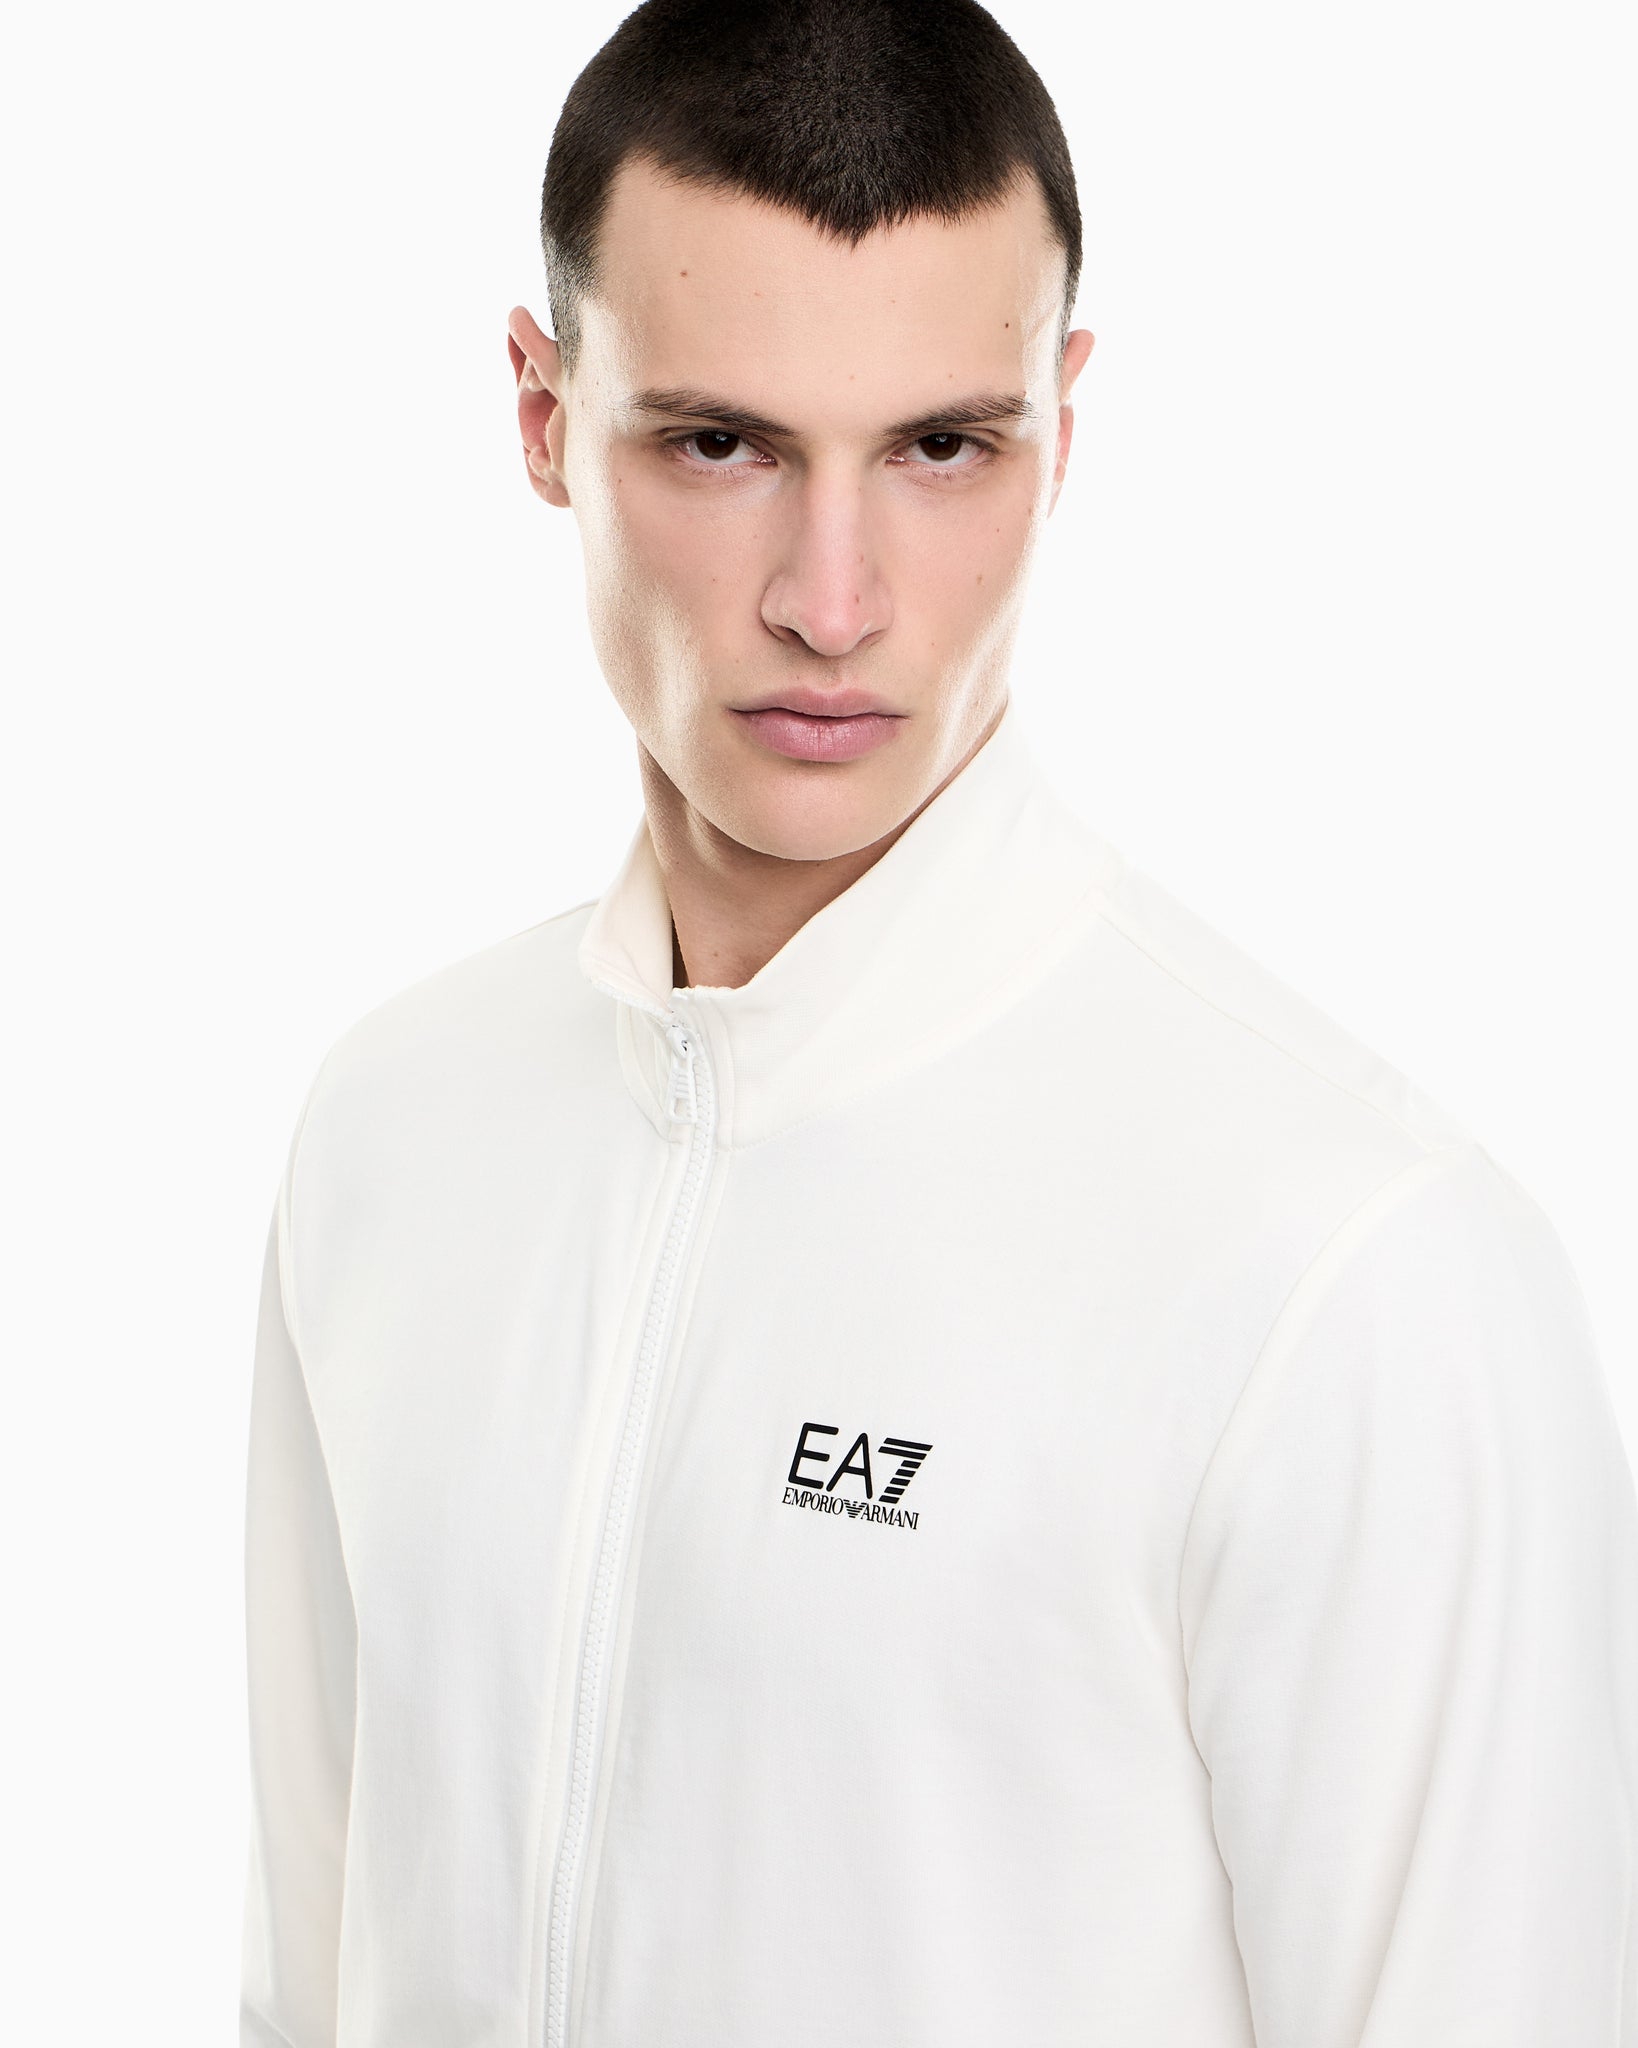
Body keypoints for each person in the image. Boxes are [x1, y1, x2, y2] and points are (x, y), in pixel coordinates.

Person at [239, 2, 1638, 2042]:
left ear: (1062, 428)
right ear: (542, 416)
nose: (833, 601)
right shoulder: (394, 1133)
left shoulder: (1352, 1271)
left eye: (940, 449)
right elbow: (306, 1983)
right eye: (719, 444)